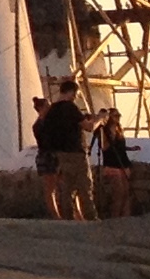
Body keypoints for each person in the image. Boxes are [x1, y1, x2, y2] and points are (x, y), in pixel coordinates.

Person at [33, 91, 91, 221]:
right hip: (47, 156)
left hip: (56, 155)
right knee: (51, 188)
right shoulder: (40, 125)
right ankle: (56, 216)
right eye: (47, 106)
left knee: (67, 186)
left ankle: (77, 214)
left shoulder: (46, 122)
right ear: (41, 108)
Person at [94, 106, 134, 220]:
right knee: (118, 194)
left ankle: (126, 218)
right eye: (116, 116)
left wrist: (130, 148)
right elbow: (104, 147)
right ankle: (115, 218)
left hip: (123, 163)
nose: (118, 118)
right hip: (112, 164)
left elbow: (119, 147)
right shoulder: (104, 131)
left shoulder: (119, 130)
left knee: (126, 193)